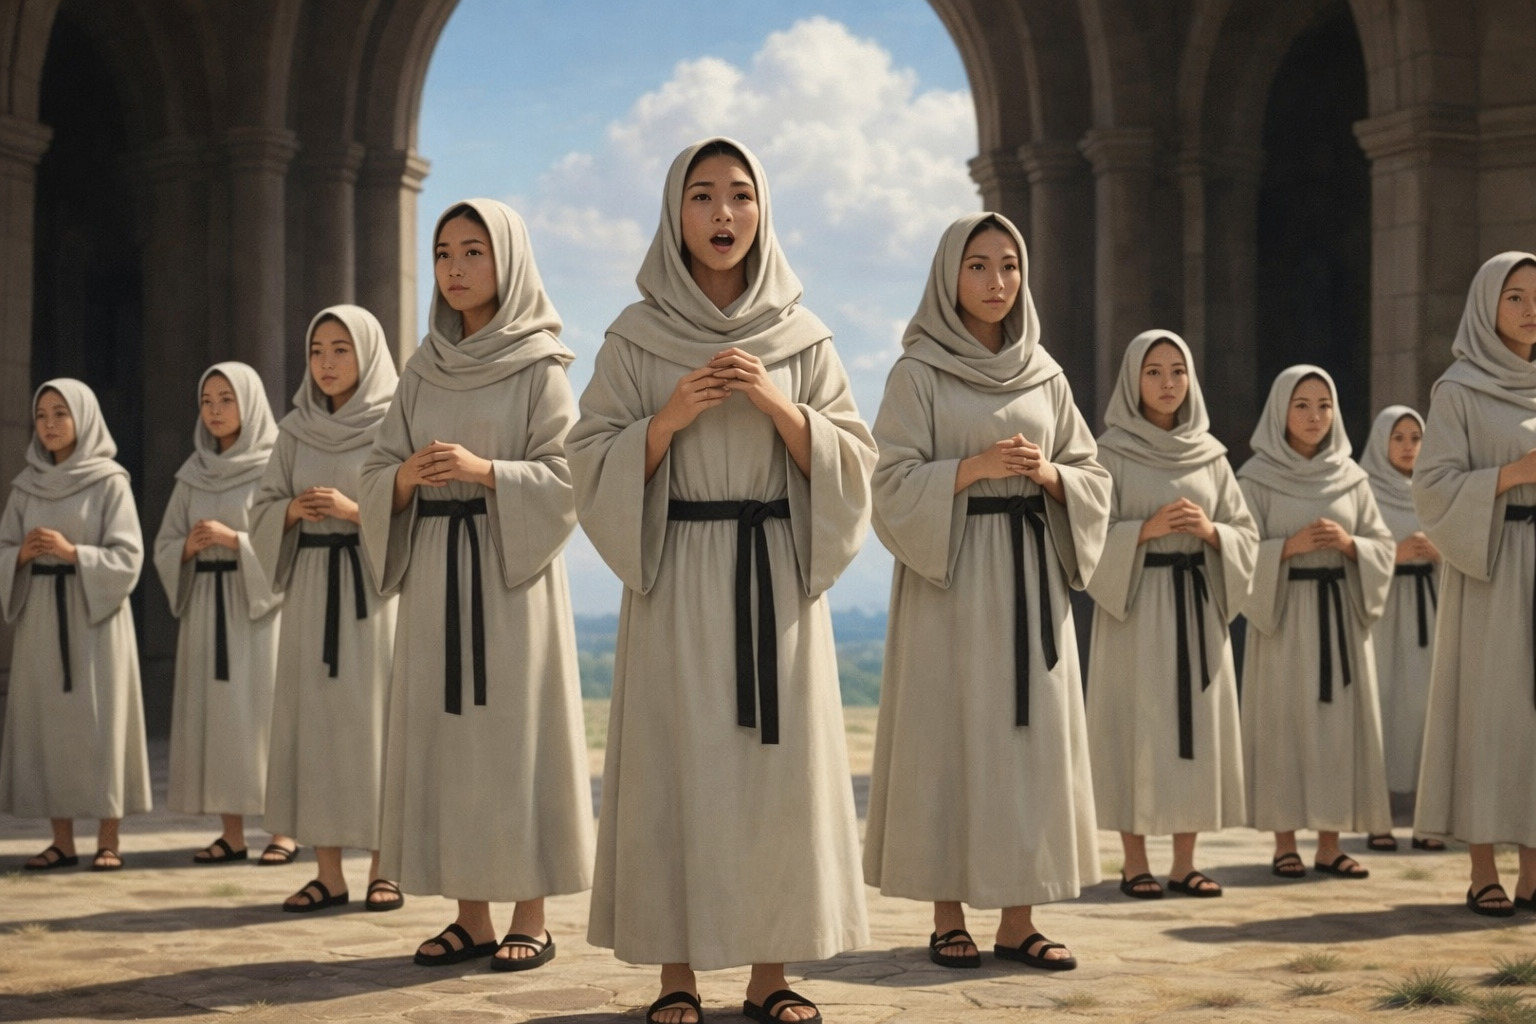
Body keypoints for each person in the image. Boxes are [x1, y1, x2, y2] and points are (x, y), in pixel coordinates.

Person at [570, 138, 874, 1024]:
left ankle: (771, 975)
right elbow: (586, 458)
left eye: (740, 196)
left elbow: (858, 461)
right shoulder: (633, 338)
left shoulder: (804, 338)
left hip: (775, 574)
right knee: (677, 775)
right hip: (674, 576)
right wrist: (664, 422)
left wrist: (781, 405)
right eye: (702, 197)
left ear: (762, 210)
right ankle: (677, 975)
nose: (723, 215)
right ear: (676, 214)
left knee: (771, 782)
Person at [862, 212, 1108, 975]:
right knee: (952, 740)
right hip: (953, 580)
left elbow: (1093, 476)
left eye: (1009, 266)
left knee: (1027, 746)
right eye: (978, 266)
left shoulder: (1048, 375)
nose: (997, 282)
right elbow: (889, 482)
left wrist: (1051, 476)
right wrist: (968, 470)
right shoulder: (919, 375)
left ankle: (1019, 918)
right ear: (948, 276)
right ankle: (947, 916)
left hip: (1032, 576)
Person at [359, 198, 592, 969]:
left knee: (516, 743)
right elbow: (374, 470)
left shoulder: (540, 367)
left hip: (509, 573)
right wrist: (403, 478)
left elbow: (569, 476)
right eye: (444, 253)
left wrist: (485, 471)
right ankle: (471, 915)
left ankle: (533, 911)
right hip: (435, 570)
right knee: (451, 744)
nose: (456, 269)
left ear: (510, 262)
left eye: (474, 253)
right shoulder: (421, 369)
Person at [1086, 330, 1257, 899]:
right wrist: (1143, 532)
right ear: (1133, 379)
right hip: (1134, 610)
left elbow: (1245, 532)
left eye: (1177, 372)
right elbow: (1086, 536)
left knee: (1195, 731)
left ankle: (1186, 861)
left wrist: (1211, 532)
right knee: (1133, 729)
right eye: (1153, 372)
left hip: (1197, 610)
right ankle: (1133, 861)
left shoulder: (1212, 457)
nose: (1166, 383)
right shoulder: (1109, 454)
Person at [251, 306, 402, 912]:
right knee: (315, 730)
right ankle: (329, 872)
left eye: (342, 349)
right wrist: (290, 512)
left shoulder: (392, 423)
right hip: (312, 590)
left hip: (371, 590)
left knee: (375, 729)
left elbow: (411, 506)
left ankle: (385, 868)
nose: (328, 363)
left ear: (367, 353)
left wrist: (352, 510)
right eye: (318, 351)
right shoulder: (294, 430)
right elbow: (261, 507)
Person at [1413, 251, 1536, 917]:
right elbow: (1431, 488)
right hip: (1490, 565)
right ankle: (1484, 869)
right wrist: (1512, 477)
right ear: (1488, 304)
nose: (1530, 310)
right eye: (1515, 297)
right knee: (1491, 715)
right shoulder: (1457, 390)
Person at [1238, 365, 1394, 881]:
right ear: (1281, 410)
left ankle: (1330, 843)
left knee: (1336, 731)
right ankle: (1285, 843)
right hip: (1283, 620)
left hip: (1340, 618)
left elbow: (1382, 544)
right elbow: (1238, 549)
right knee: (1284, 729)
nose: (1314, 416)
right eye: (1301, 405)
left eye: (1323, 405)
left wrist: (1353, 546)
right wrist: (1286, 549)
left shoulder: (1352, 478)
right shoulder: (1255, 478)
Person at [1, 379, 150, 871]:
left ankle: (109, 839)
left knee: (102, 723)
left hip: (96, 617)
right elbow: (5, 549)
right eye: (41, 415)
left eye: (60, 414)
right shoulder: (25, 487)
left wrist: (73, 553)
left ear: (83, 418)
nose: (49, 424)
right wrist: (20, 555)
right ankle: (61, 839)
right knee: (50, 725)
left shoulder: (109, 482)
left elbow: (129, 556)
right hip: (41, 616)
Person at [154, 362, 294, 866]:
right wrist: (187, 547)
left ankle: (282, 830)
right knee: (219, 722)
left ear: (250, 403)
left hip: (256, 610)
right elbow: (166, 542)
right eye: (207, 401)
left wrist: (235, 541)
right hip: (206, 607)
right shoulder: (192, 475)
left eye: (226, 400)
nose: (214, 411)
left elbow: (284, 534)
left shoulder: (273, 466)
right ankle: (231, 832)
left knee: (263, 720)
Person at [1359, 405, 1444, 853]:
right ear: (1381, 443)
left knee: (1427, 710)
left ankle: (1428, 817)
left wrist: (1439, 553)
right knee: (1383, 706)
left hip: (1429, 613)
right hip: (1382, 617)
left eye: (1416, 438)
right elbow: (1354, 549)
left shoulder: (1435, 490)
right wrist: (1392, 555)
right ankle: (1378, 817)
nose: (1409, 447)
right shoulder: (1362, 491)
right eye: (1399, 438)